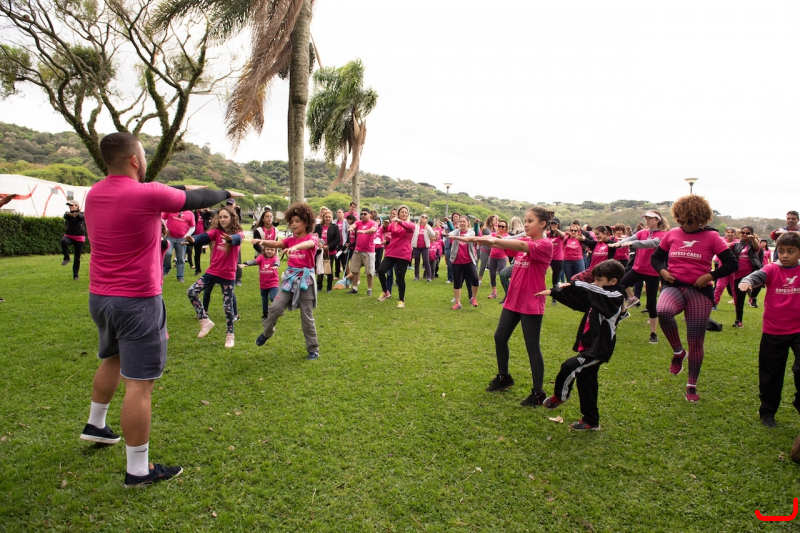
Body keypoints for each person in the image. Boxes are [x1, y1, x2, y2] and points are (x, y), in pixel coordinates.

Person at [81, 132, 239, 487]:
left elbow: (175, 189)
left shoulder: (95, 193)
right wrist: (227, 193)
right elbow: (195, 198)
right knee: (140, 384)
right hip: (137, 301)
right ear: (135, 160)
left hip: (101, 298)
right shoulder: (146, 194)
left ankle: (96, 423)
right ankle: (138, 470)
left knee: (112, 357)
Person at [650, 195, 737, 402]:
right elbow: (656, 258)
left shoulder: (712, 237)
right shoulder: (672, 234)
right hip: (674, 286)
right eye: (681, 220)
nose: (685, 224)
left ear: (701, 218)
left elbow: (732, 264)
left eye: (690, 220)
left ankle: (691, 384)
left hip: (700, 291)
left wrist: (710, 276)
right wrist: (662, 272)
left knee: (696, 341)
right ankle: (678, 352)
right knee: (663, 311)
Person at [474, 207, 553, 407]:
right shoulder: (526, 240)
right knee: (500, 337)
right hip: (513, 300)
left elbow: (516, 244)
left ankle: (538, 393)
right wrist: (487, 238)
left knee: (532, 346)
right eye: (525, 221)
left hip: (531, 301)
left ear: (543, 224)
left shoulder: (545, 244)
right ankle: (504, 377)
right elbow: (507, 244)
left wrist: (489, 239)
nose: (526, 224)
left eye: (530, 221)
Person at [539, 260, 626, 430]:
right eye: (594, 280)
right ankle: (591, 420)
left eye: (599, 280)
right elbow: (579, 302)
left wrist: (574, 283)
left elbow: (591, 289)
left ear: (613, 281)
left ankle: (560, 396)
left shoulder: (615, 296)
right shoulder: (599, 295)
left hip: (598, 349)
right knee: (587, 382)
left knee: (570, 366)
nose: (595, 284)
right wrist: (554, 293)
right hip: (588, 346)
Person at [739, 232, 800, 427]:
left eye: (790, 251)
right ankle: (767, 412)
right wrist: (748, 281)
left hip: (798, 330)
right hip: (774, 331)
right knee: (771, 374)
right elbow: (758, 275)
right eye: (781, 251)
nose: (785, 255)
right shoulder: (773, 269)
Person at [253, 203, 320, 360]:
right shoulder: (290, 239)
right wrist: (261, 241)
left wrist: (296, 247)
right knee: (275, 308)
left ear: (306, 222)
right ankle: (267, 333)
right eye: (292, 221)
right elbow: (276, 243)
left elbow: (309, 244)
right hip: (289, 280)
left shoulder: (312, 238)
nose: (294, 224)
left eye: (297, 221)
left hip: (306, 281)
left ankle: (313, 349)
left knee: (307, 318)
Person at [184, 205, 244, 348]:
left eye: (225, 217)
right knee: (191, 292)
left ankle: (230, 335)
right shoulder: (216, 232)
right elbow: (205, 237)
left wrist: (230, 239)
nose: (222, 219)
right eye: (220, 217)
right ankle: (204, 320)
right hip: (212, 272)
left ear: (232, 218)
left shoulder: (239, 233)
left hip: (227, 275)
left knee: (228, 307)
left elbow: (237, 239)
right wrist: (193, 239)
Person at [608, 210, 670, 344]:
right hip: (637, 269)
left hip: (652, 272)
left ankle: (653, 333)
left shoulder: (663, 235)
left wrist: (632, 244)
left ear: (657, 220)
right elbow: (631, 238)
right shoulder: (643, 232)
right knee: (618, 286)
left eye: (650, 218)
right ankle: (625, 308)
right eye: (646, 218)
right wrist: (619, 244)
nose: (647, 221)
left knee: (651, 302)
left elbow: (651, 243)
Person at [377, 205, 415, 308]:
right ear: (398, 213)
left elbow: (410, 229)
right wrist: (385, 225)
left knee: (400, 277)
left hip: (403, 253)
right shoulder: (394, 224)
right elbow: (384, 230)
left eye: (406, 212)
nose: (404, 214)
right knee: (381, 270)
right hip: (392, 251)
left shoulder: (410, 224)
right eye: (402, 212)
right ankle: (385, 291)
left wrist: (399, 221)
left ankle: (401, 300)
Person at [730, 226, 762, 328]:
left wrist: (753, 239)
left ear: (752, 234)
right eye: (742, 232)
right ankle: (738, 321)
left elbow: (756, 247)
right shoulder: (736, 244)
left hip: (750, 275)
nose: (744, 235)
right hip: (737, 275)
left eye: (747, 233)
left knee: (745, 294)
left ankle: (752, 298)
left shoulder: (753, 245)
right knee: (739, 299)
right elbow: (726, 246)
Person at [239, 245, 281, 321]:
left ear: (275, 251)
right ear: (264, 250)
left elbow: (277, 262)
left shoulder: (275, 258)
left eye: (272, 250)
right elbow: (254, 261)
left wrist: (276, 265)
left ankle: (279, 309)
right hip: (263, 284)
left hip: (273, 282)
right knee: (264, 300)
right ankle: (265, 315)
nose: (269, 251)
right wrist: (246, 263)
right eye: (268, 249)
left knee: (273, 298)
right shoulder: (261, 257)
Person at [448, 215, 481, 309]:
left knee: (475, 279)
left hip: (468, 261)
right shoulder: (456, 231)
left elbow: (468, 237)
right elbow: (450, 233)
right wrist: (450, 235)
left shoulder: (471, 232)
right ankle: (458, 303)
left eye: (464, 221)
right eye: (461, 221)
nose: (462, 223)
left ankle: (473, 297)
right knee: (457, 282)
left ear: (468, 223)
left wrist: (456, 237)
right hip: (456, 261)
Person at [348, 208, 378, 295]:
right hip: (358, 250)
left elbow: (373, 230)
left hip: (369, 251)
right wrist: (351, 228)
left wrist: (364, 231)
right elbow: (353, 225)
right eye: (362, 214)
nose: (363, 216)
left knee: (369, 271)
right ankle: (354, 288)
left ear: (370, 214)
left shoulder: (373, 223)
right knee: (354, 269)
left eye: (365, 214)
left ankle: (369, 289)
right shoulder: (358, 222)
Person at [161, 209, 195, 283]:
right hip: (170, 237)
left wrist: (187, 235)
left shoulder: (190, 213)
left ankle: (180, 276)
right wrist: (166, 229)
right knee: (167, 253)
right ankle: (166, 269)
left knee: (181, 258)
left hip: (182, 239)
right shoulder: (171, 208)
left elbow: (192, 227)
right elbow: (162, 218)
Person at [712, 227, 739, 309]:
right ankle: (714, 304)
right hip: (723, 267)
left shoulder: (738, 242)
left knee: (735, 289)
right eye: (728, 232)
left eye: (732, 232)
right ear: (725, 233)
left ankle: (737, 306)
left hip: (735, 269)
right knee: (719, 287)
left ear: (735, 234)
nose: (730, 234)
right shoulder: (721, 240)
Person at [314, 209, 341, 293]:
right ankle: (319, 286)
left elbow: (337, 239)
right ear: (323, 217)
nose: (328, 218)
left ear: (331, 217)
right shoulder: (318, 226)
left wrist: (328, 246)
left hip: (331, 251)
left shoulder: (335, 227)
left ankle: (329, 287)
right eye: (326, 217)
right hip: (320, 250)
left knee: (329, 268)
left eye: (329, 217)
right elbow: (314, 236)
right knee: (320, 268)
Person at [61, 200, 86, 281]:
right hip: (69, 236)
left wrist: (76, 215)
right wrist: (70, 214)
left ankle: (75, 275)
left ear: (77, 206)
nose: (70, 207)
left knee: (77, 258)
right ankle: (66, 258)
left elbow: (82, 217)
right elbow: (65, 216)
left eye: (72, 205)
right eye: (69, 205)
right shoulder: (68, 214)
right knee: (64, 241)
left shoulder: (82, 213)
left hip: (79, 238)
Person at [486, 219, 510, 299]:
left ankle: (507, 294)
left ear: (506, 228)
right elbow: (487, 238)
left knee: (503, 275)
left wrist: (501, 239)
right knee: (492, 275)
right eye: (499, 226)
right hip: (492, 257)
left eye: (502, 226)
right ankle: (494, 293)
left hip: (501, 258)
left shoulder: (507, 236)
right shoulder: (493, 234)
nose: (500, 228)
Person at [411, 214, 436, 282]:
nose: (424, 218)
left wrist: (428, 228)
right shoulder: (416, 226)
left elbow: (433, 234)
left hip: (425, 247)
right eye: (423, 217)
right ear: (420, 218)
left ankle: (429, 276)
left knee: (426, 261)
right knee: (417, 261)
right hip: (416, 246)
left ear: (427, 219)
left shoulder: (428, 227)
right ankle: (416, 276)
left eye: (426, 217)